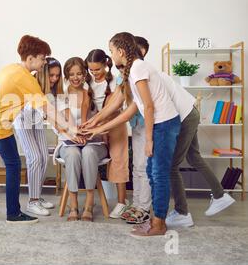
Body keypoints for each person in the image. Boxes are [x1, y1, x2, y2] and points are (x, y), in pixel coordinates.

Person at [0, 35, 82, 225]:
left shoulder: (8, 68)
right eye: (42, 58)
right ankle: (13, 213)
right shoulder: (26, 78)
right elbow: (47, 108)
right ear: (30, 58)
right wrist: (71, 128)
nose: (43, 62)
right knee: (13, 165)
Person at [82, 32, 181, 237]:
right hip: (160, 124)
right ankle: (156, 219)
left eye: (111, 50)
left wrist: (149, 139)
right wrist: (97, 125)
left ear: (120, 51)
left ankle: (159, 224)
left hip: (164, 124)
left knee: (158, 175)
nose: (110, 55)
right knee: (154, 175)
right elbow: (130, 109)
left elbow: (150, 107)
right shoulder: (132, 70)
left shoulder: (137, 68)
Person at [59, 57, 108, 222]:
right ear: (66, 75)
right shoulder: (62, 95)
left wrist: (87, 132)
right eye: (71, 74)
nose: (75, 77)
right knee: (73, 154)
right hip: (69, 141)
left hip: (94, 141)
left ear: (85, 74)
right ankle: (73, 205)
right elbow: (68, 121)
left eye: (79, 73)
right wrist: (75, 133)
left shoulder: (91, 92)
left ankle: (89, 203)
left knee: (88, 152)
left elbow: (96, 120)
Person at [13, 57, 64, 216]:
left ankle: (38, 196)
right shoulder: (32, 84)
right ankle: (32, 202)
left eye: (57, 75)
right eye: (52, 75)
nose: (55, 79)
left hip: (36, 122)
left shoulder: (51, 91)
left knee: (44, 156)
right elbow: (48, 115)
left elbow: (54, 115)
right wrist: (64, 132)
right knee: (34, 157)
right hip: (22, 120)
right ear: (43, 73)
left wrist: (64, 130)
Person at [85, 49, 129, 219]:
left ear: (105, 64)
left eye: (97, 69)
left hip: (115, 124)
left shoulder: (115, 81)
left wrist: (101, 125)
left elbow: (115, 107)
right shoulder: (87, 82)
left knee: (119, 160)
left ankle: (121, 203)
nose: (94, 73)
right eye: (91, 70)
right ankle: (91, 201)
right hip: (96, 125)